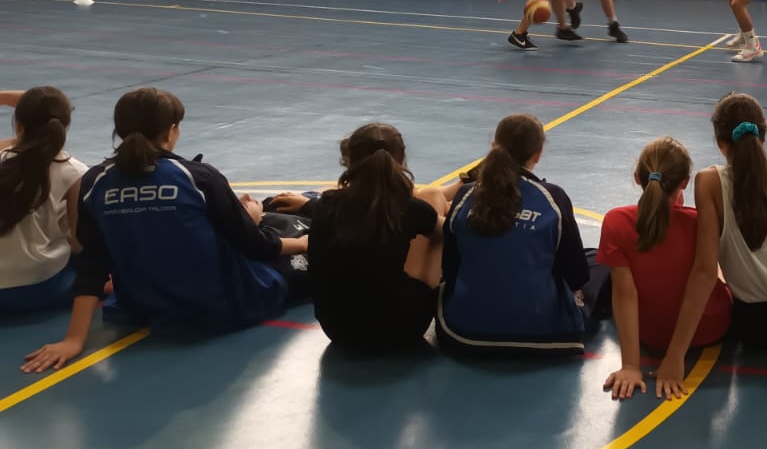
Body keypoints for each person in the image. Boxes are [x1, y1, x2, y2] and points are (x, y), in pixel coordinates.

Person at [21, 89, 310, 372]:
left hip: (141, 305)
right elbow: (255, 245)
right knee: (304, 237)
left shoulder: (95, 181)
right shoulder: (198, 176)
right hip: (224, 303)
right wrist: (303, 243)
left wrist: (73, 340)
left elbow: (92, 264)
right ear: (172, 131)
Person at [654, 94, 767, 396]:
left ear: (720, 143)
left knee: (726, 287)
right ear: (763, 136)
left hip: (758, 326)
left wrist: (675, 354)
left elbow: (704, 271)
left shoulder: (709, 182)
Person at [437, 114, 601, 356]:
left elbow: (450, 267)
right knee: (597, 262)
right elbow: (577, 275)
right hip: (546, 335)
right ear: (538, 154)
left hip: (463, 333)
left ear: (494, 146)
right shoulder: (553, 197)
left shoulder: (466, 195)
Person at [599, 137, 733, 399]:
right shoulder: (699, 223)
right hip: (709, 328)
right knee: (717, 271)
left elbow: (625, 294)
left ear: (637, 178)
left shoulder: (616, 221)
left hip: (649, 334)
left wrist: (630, 365)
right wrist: (675, 356)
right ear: (685, 182)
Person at [307, 123, 448, 353]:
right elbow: (449, 231)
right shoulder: (408, 208)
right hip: (399, 330)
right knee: (437, 236)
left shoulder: (326, 204)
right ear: (401, 160)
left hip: (336, 329)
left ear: (348, 160)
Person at [0, 87, 87, 313]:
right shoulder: (75, 171)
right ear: (64, 127)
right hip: (41, 288)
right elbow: (79, 242)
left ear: (19, 127)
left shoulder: (3, 159)